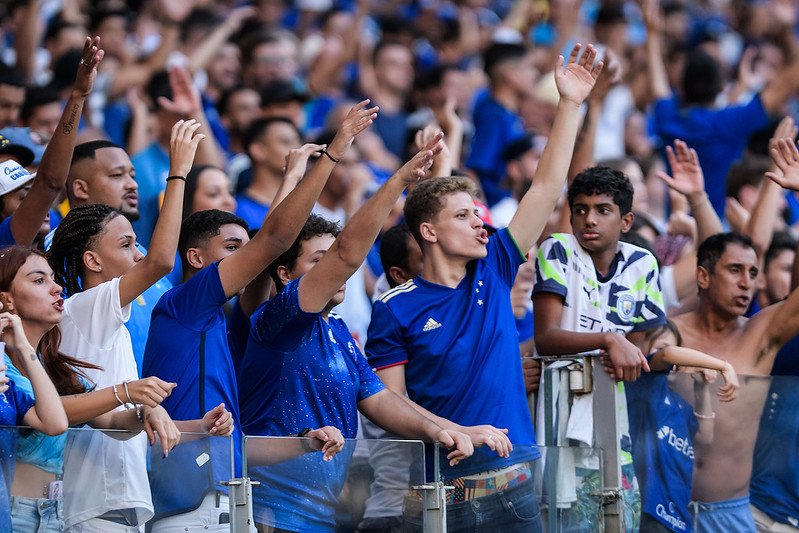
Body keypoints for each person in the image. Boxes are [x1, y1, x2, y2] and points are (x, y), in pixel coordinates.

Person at [365, 43, 603, 531]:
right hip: (439, 498)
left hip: (515, 491)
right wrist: (455, 431)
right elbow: (390, 403)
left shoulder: (494, 265)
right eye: (463, 216)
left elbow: (544, 187)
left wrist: (570, 105)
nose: (480, 224)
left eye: (478, 214)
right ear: (428, 232)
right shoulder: (393, 306)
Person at [142, 100, 379, 529]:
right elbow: (272, 241)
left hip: (230, 504)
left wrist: (303, 443)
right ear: (195, 257)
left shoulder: (227, 320)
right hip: (184, 509)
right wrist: (333, 152)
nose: (246, 257)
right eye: (234, 248)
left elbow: (270, 246)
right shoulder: (184, 305)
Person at [239, 133, 484, 532]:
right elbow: (345, 254)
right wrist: (396, 183)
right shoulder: (277, 321)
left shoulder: (336, 329)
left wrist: (448, 430)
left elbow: (382, 398)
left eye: (329, 260)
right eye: (319, 262)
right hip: (269, 514)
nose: (338, 272)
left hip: (324, 515)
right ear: (285, 275)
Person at [47, 119, 204, 531]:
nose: (138, 254)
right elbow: (161, 261)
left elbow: (113, 424)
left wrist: (153, 413)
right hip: (92, 509)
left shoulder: (104, 318)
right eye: (126, 244)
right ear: (92, 261)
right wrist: (179, 172)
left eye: (137, 242)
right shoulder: (85, 305)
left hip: (118, 507)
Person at [624, 320, 739, 533]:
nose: (669, 356)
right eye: (660, 347)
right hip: (651, 512)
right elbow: (667, 356)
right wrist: (723, 365)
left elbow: (705, 435)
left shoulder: (678, 403)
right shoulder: (643, 384)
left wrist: (701, 387)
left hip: (677, 514)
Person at [0, 36, 104, 250]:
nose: (40, 204)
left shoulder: (54, 226)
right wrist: (78, 96)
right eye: (22, 199)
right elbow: (49, 183)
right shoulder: (4, 239)